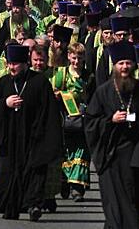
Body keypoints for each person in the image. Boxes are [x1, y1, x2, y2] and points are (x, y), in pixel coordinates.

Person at [85, 42, 139, 229]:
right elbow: (90, 122)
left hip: (136, 156)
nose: (125, 67)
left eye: (128, 63)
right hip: (111, 156)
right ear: (114, 66)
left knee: (134, 202)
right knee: (114, 205)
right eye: (120, 63)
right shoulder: (103, 91)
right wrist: (110, 120)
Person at [0, 44, 62, 221]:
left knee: (35, 171)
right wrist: (5, 103)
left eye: (16, 64)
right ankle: (10, 206)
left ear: (25, 63)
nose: (12, 67)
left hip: (33, 137)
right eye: (10, 64)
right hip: (10, 138)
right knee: (8, 173)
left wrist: (47, 138)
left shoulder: (39, 81)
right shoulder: (4, 82)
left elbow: (49, 111)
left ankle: (33, 205)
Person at [51, 42, 93, 203]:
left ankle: (78, 188)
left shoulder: (89, 76)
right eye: (74, 58)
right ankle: (64, 181)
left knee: (82, 152)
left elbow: (93, 96)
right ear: (69, 56)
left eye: (80, 59)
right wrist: (59, 95)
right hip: (65, 119)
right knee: (66, 152)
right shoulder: (61, 74)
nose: (77, 62)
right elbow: (53, 90)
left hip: (81, 120)